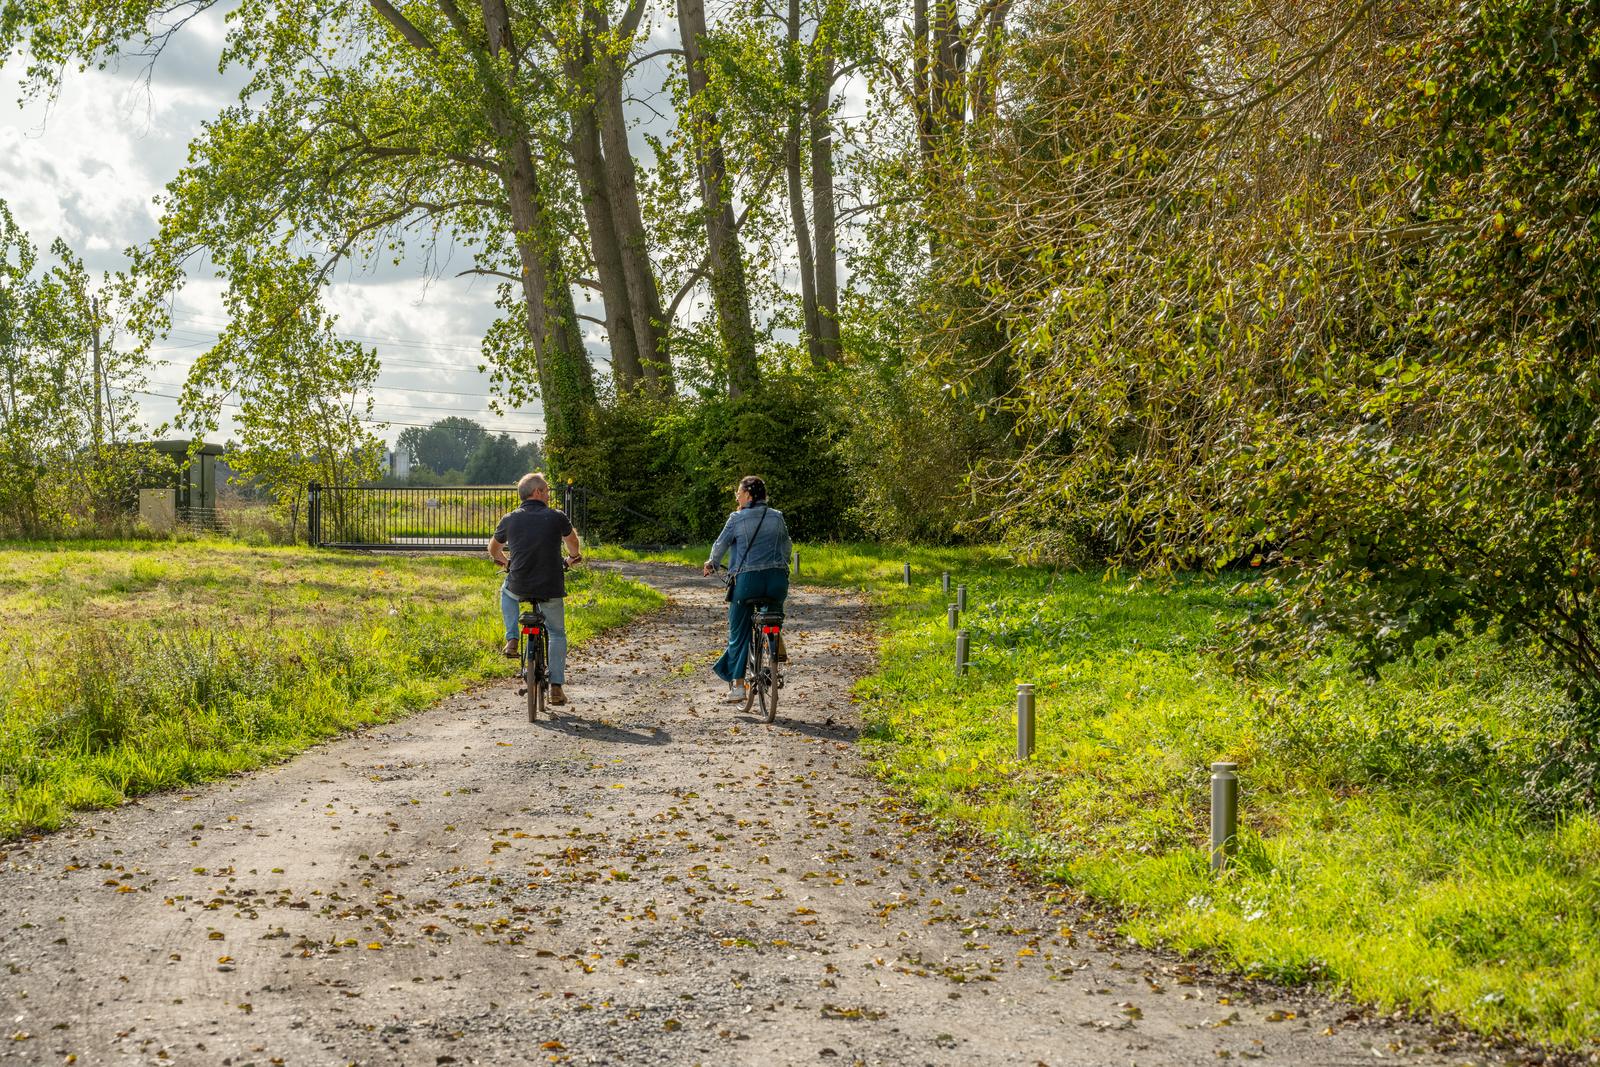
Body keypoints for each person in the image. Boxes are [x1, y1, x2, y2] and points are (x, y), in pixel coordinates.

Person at [488, 472, 582, 706]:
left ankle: (511, 638)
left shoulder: (509, 519)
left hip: (519, 583)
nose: (549, 495)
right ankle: (556, 687)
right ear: (537, 492)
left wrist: (507, 563)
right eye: (547, 490)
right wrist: (572, 557)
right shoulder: (556, 517)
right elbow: (572, 544)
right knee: (557, 633)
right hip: (550, 585)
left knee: (506, 592)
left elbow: (493, 550)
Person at [701, 475, 792, 701]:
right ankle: (774, 651)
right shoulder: (777, 517)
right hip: (777, 581)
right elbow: (787, 546)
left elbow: (721, 544)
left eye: (739, 494)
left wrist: (711, 563)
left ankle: (739, 686)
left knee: (738, 631)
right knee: (772, 616)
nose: (737, 498)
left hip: (747, 583)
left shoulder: (737, 518)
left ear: (749, 496)